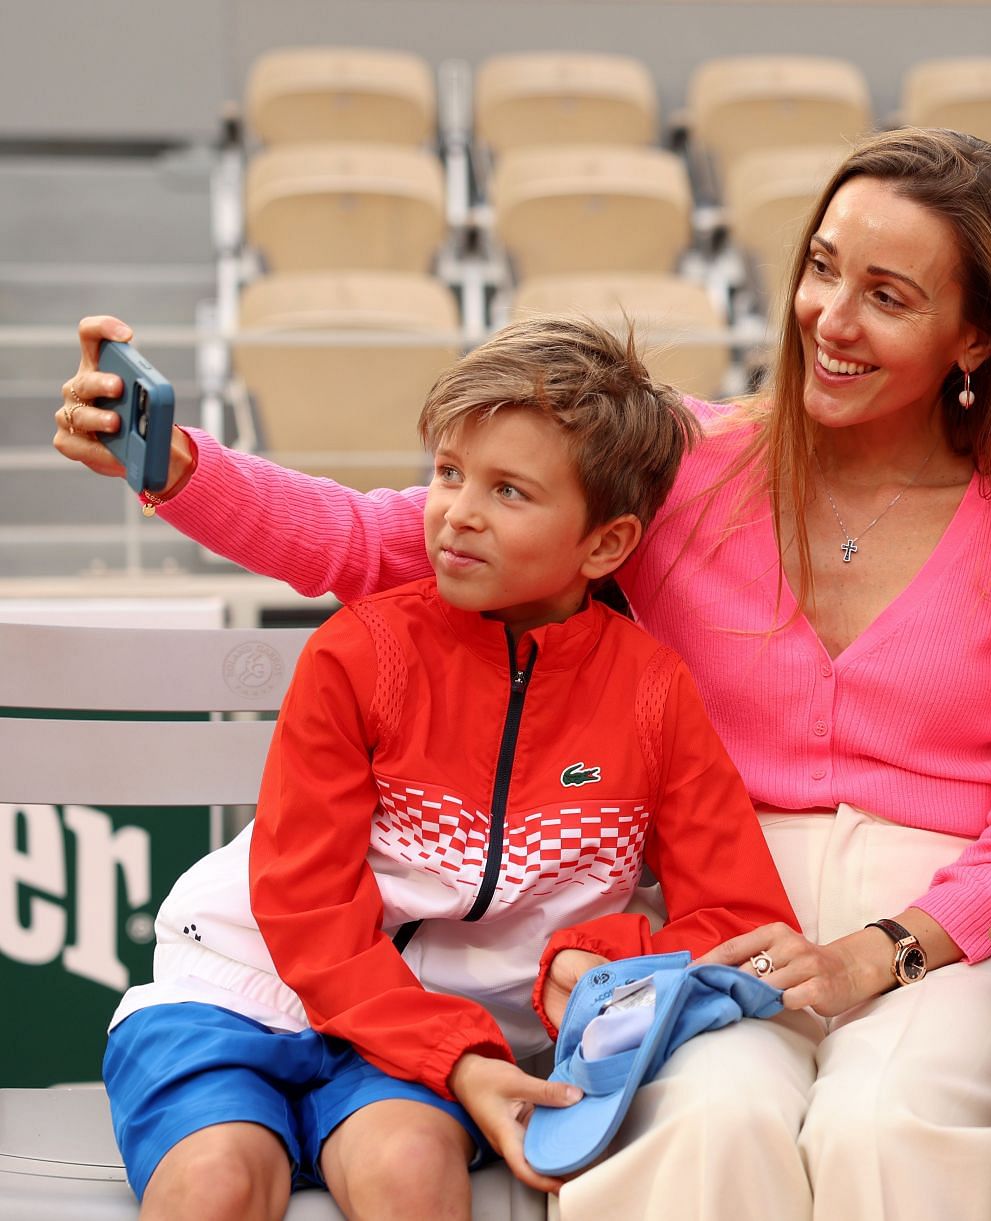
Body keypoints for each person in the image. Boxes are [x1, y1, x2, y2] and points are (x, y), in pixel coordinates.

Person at [56, 128, 991, 1220]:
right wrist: (183, 469)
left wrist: (877, 954)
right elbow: (386, 544)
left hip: (932, 930)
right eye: (821, 268)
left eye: (888, 296)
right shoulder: (687, 466)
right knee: (710, 1126)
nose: (830, 319)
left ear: (976, 336)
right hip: (704, 916)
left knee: (880, 1130)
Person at [97, 316, 796, 1220]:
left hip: (432, 1040)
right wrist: (460, 1057)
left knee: (410, 1173)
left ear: (607, 545)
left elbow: (744, 921)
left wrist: (591, 954)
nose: (457, 511)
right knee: (214, 1182)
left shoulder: (653, 691)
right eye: (449, 473)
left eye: (509, 490)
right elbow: (305, 909)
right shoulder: (359, 653)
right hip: (238, 990)